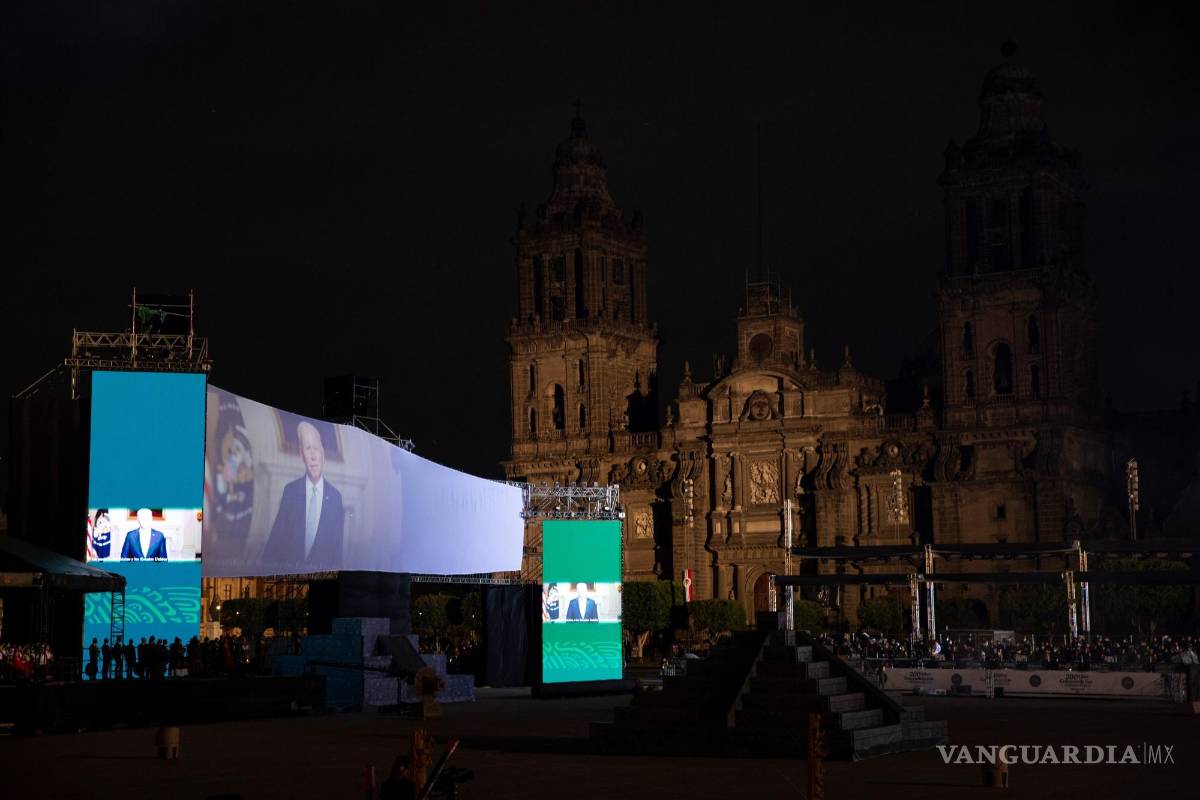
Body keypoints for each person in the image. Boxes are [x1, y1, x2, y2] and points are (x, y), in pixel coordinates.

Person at [261, 421, 345, 566]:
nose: (313, 456)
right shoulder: (290, 491)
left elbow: (336, 558)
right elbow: (273, 548)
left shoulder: (336, 498)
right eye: (308, 448)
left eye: (316, 448)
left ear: (323, 453)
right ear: (301, 455)